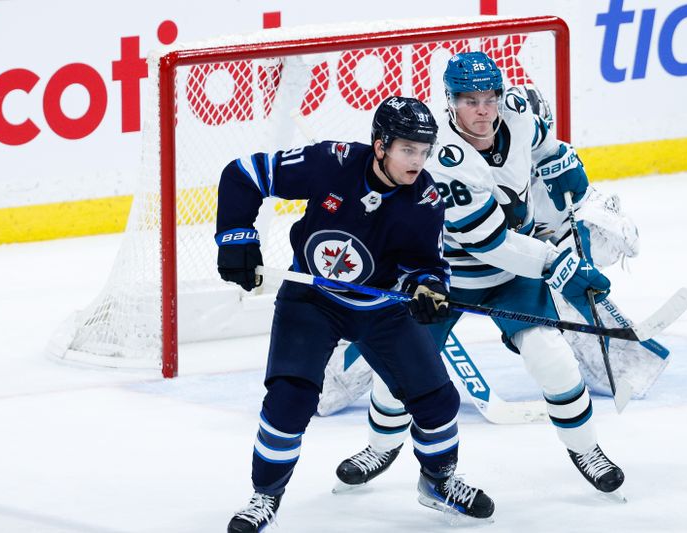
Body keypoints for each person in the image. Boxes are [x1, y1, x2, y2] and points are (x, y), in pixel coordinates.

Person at [332, 53, 625, 498]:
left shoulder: (520, 111)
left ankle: (586, 449)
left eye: (490, 97)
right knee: (396, 376)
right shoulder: (443, 157)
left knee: (553, 358)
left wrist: (565, 168)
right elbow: (491, 244)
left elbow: (544, 148)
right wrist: (558, 264)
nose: (483, 110)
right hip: (441, 276)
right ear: (450, 102)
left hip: (514, 276)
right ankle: (379, 447)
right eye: (470, 100)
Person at [216, 96, 494, 533]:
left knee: (438, 401)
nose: (417, 162)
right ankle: (265, 495)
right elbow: (244, 174)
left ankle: (438, 482)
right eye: (407, 150)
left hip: (380, 307)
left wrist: (427, 290)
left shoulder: (426, 199)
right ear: (380, 145)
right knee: (291, 399)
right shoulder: (331, 162)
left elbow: (428, 266)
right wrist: (236, 238)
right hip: (312, 300)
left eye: (424, 151)